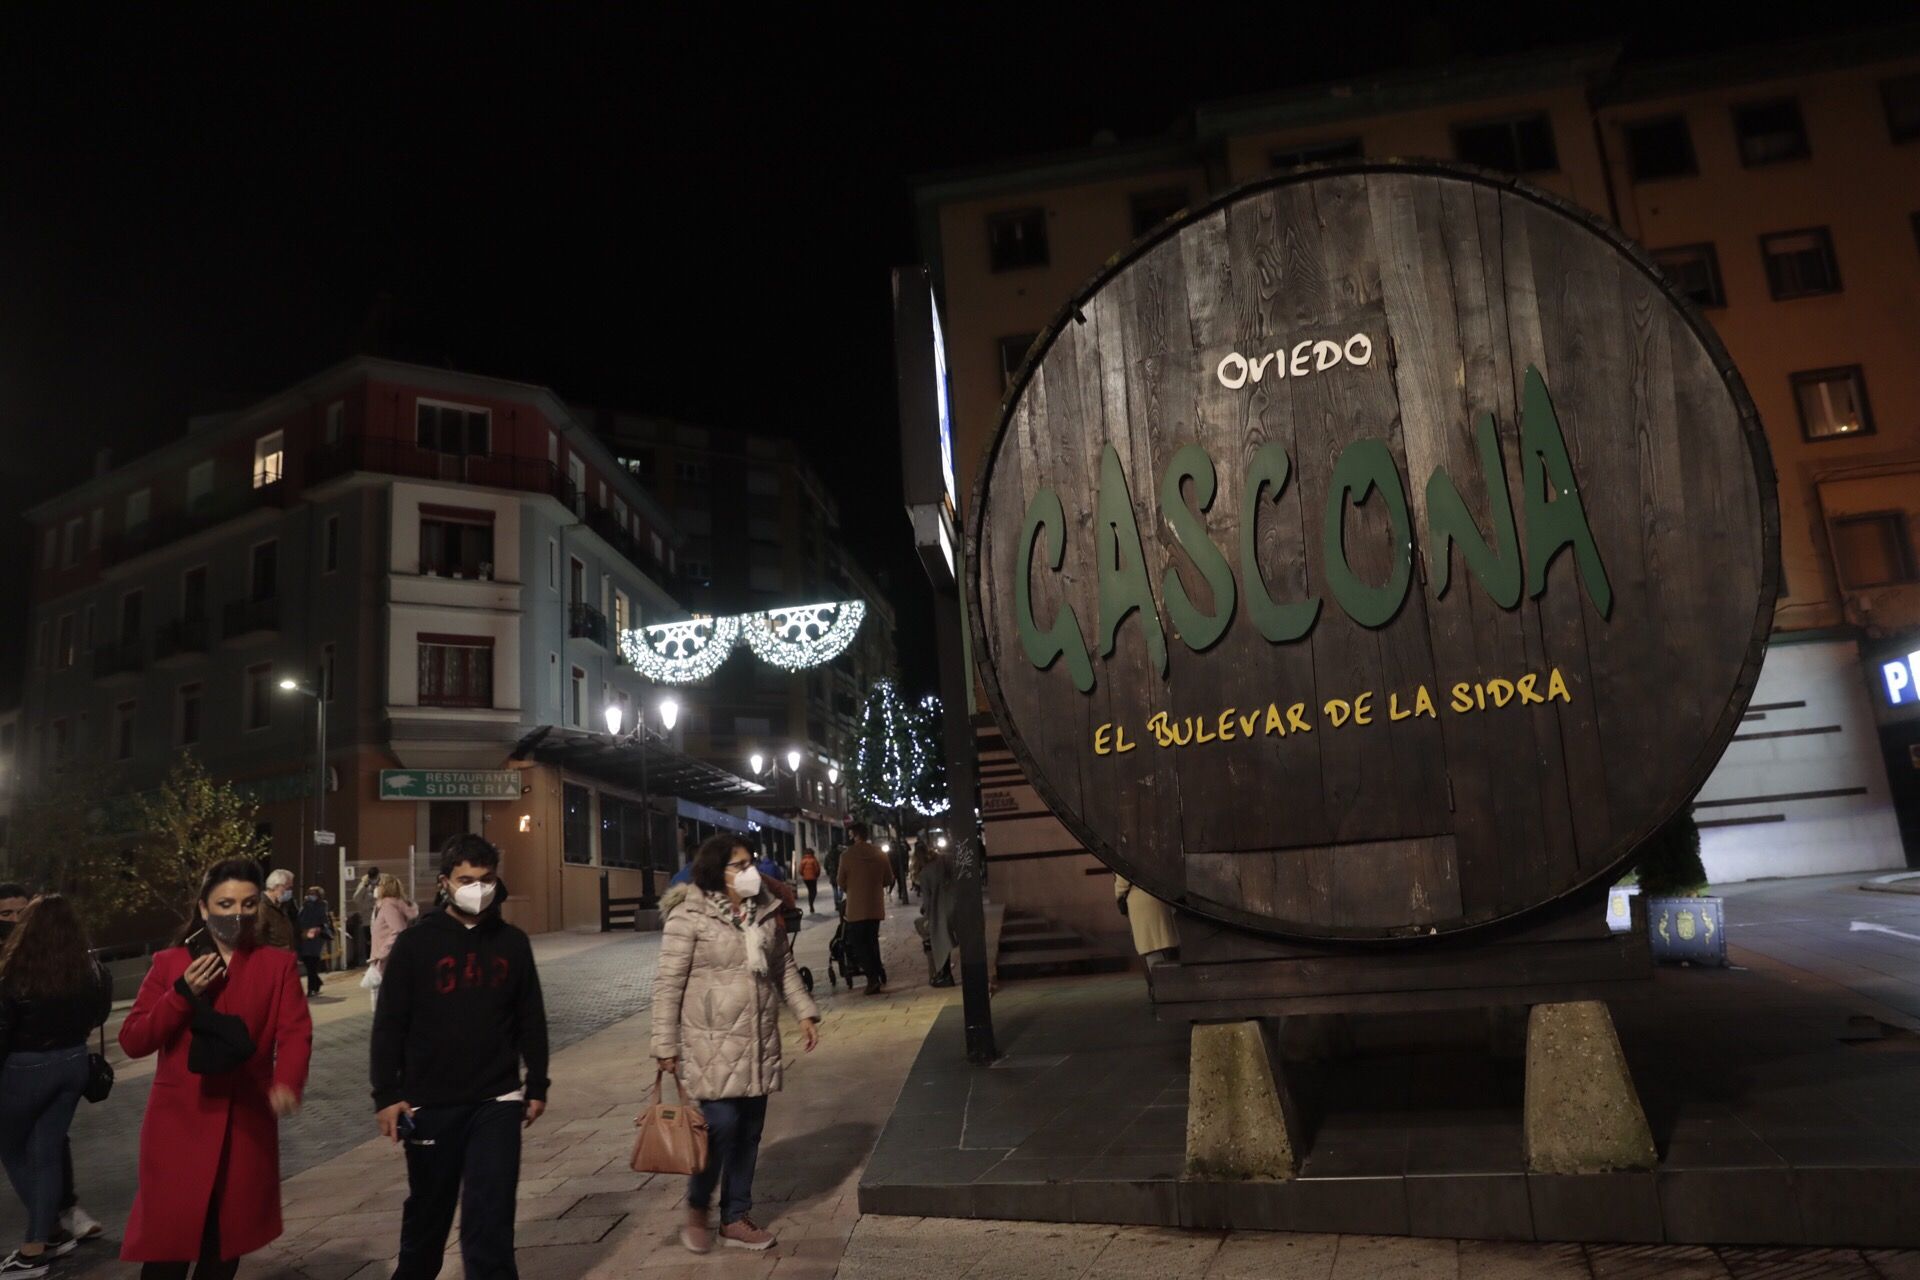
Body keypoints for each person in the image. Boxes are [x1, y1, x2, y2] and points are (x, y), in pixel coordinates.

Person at [120, 858, 313, 1280]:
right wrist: (181, 993)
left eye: (247, 903)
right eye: (224, 904)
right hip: (178, 1123)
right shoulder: (170, 963)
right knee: (167, 1246)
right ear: (204, 908)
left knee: (224, 1244)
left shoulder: (276, 965)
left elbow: (296, 1033)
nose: (236, 914)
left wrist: (287, 1083)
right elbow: (134, 1041)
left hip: (246, 1120)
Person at [372, 834, 549, 1280]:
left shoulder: (512, 942)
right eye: (466, 879)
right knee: (428, 1221)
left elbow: (531, 1016)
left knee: (491, 1218)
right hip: (430, 1103)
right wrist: (386, 1094)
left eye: (486, 879)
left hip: (497, 1099)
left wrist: (538, 1083)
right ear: (445, 882)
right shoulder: (415, 945)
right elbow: (389, 1023)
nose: (477, 888)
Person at [652, 835, 820, 1254]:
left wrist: (804, 1011)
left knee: (748, 1131)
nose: (749, 871)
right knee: (719, 1127)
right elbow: (668, 983)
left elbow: (783, 965)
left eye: (750, 862)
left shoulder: (763, 908)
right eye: (739, 865)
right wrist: (664, 1042)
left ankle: (735, 1217)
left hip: (758, 1036)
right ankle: (697, 1206)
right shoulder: (688, 914)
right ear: (716, 870)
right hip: (709, 1039)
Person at [0, 894, 113, 1279]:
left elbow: (3, 1029)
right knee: (46, 1152)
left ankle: (36, 1246)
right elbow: (100, 1012)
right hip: (73, 1063)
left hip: (25, 1068)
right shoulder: (85, 967)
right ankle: (50, 1235)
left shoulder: (15, 968)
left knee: (13, 1150)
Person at [838, 823, 893, 996]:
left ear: (855, 835)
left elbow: (841, 881)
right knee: (872, 941)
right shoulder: (879, 853)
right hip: (875, 905)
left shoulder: (847, 856)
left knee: (858, 944)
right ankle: (877, 972)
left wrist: (852, 888)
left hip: (856, 908)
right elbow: (888, 879)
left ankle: (872, 978)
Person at [366, 875, 418, 1012]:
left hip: (386, 958)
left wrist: (382, 953)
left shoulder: (388, 905)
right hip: (382, 957)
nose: (376, 888)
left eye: (379, 885)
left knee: (385, 996)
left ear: (385, 887)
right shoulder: (383, 905)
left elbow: (398, 930)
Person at [915, 845, 958, 988]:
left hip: (940, 910)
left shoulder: (925, 873)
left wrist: (926, 913)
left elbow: (927, 901)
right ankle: (944, 974)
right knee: (946, 938)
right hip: (956, 906)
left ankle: (944, 975)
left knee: (940, 940)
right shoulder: (944, 862)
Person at [1115, 875, 1178, 967]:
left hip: (1140, 899)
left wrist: (1118, 895)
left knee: (1150, 943)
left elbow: (1122, 878)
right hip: (1159, 896)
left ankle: (1159, 976)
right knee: (1165, 940)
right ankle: (1171, 974)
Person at [296, 886, 332, 998]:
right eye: (310, 893)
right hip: (305, 936)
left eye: (314, 893)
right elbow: (299, 919)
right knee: (308, 962)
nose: (311, 895)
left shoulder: (322, 906)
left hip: (316, 937)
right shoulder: (304, 905)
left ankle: (311, 988)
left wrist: (318, 929)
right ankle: (316, 982)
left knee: (313, 962)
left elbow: (324, 921)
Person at [256, 870, 297, 952]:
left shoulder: (280, 906)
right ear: (277, 886)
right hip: (271, 959)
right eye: (288, 888)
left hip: (283, 958)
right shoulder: (261, 906)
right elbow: (257, 936)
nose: (290, 892)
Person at [348, 866, 381, 970]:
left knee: (379, 940)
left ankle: (379, 963)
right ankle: (371, 963)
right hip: (367, 918)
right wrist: (365, 887)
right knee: (369, 941)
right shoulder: (364, 885)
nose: (374, 879)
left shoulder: (381, 884)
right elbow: (356, 898)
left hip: (380, 917)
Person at [796, 849, 821, 914]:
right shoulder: (814, 860)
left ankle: (811, 904)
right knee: (814, 891)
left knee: (810, 890)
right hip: (813, 878)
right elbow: (817, 869)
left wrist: (803, 875)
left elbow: (800, 870)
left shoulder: (803, 860)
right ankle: (811, 904)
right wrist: (817, 875)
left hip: (806, 879)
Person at [888, 839, 911, 906]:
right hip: (895, 869)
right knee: (896, 882)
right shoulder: (891, 853)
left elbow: (905, 859)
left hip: (897, 869)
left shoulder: (899, 851)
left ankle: (899, 893)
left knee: (899, 882)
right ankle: (892, 892)